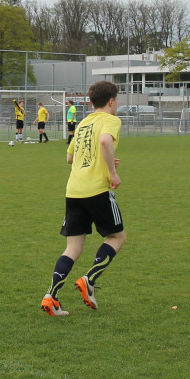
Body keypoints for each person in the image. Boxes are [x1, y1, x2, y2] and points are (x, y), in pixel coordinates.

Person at [41, 81, 126, 317]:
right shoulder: (111, 120)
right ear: (111, 101)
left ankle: (51, 297)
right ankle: (89, 280)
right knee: (117, 237)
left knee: (73, 248)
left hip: (74, 191)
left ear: (90, 101)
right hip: (97, 189)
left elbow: (70, 158)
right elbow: (105, 142)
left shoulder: (83, 123)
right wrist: (112, 172)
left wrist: (105, 160)